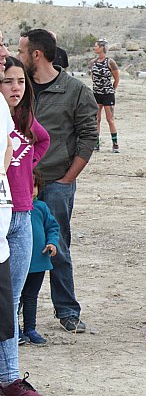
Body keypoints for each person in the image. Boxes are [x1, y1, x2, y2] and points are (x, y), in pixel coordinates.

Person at [17, 28, 98, 333]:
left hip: (53, 183)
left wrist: (67, 179)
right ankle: (18, 310)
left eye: (22, 51)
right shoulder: (17, 87)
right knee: (16, 247)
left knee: (56, 245)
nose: (18, 55)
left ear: (36, 54)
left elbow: (89, 136)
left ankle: (67, 310)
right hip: (16, 185)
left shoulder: (75, 90)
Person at [2, 56, 51, 349]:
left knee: (14, 293)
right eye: (8, 81)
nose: (15, 87)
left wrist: (25, 165)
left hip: (22, 209)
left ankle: (9, 362)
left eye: (21, 81)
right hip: (2, 209)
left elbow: (43, 140)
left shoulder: (24, 118)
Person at [21, 172, 59, 345]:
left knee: (31, 296)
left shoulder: (41, 208)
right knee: (16, 296)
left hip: (39, 261)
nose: (30, 190)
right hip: (19, 261)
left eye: (33, 186)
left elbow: (52, 227)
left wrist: (52, 243)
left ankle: (30, 328)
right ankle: (14, 330)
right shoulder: (13, 210)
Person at [89, 39, 120, 153]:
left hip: (108, 94)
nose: (94, 48)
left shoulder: (110, 62)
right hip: (96, 93)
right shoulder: (93, 62)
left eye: (96, 46)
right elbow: (92, 76)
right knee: (96, 119)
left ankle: (115, 144)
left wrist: (112, 90)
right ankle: (96, 144)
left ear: (102, 47)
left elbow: (116, 78)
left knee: (110, 119)